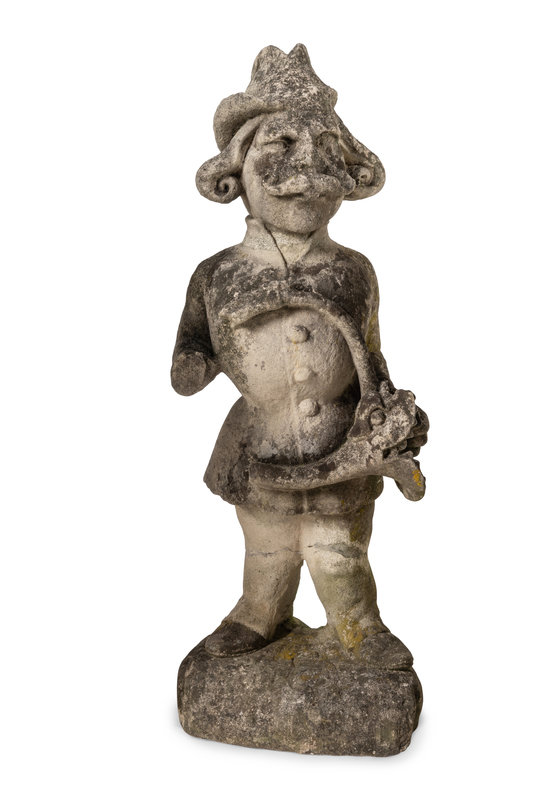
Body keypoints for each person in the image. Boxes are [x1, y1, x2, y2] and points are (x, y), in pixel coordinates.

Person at [171, 45, 428, 665]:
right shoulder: (217, 276)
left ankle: (358, 625)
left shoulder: (354, 272)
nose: (307, 165)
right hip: (260, 444)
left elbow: (370, 357)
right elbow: (189, 355)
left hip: (341, 444)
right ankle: (258, 614)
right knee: (267, 546)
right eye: (281, 145)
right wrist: (195, 363)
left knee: (338, 547)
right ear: (236, 171)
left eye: (325, 147)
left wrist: (390, 417)